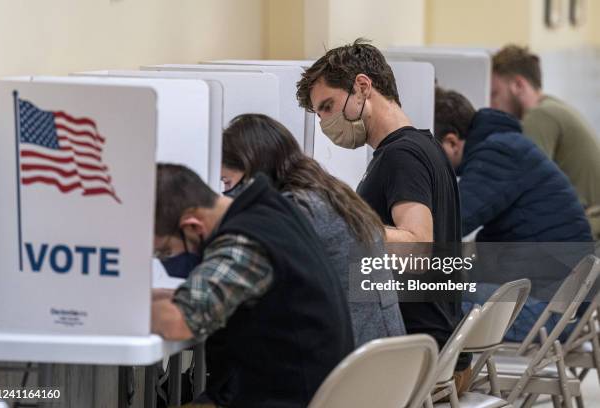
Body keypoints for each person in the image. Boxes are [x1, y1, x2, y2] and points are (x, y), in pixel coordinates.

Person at [295, 39, 471, 393]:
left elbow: (416, 246)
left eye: (327, 106)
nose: (325, 123)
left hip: (412, 356)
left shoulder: (400, 157)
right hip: (436, 349)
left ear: (363, 87)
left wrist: (340, 223)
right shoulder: (424, 147)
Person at [151, 163, 354, 408]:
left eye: (164, 252)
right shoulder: (272, 210)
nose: (166, 261)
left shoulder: (244, 242)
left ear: (193, 227)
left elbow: (179, 322)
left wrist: (117, 304)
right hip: (296, 390)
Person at [221, 113, 407, 346]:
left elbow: (239, 281)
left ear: (252, 171)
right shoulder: (330, 192)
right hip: (380, 357)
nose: (226, 193)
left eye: (227, 182)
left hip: (349, 361)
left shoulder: (297, 209)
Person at [434, 87, 593, 340]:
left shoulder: (498, 154)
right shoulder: (507, 146)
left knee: (422, 300)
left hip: (545, 311)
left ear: (452, 142)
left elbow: (445, 226)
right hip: (557, 301)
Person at [491, 45, 600, 240]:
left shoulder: (540, 116)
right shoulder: (552, 105)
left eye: (495, 94)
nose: (491, 105)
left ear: (518, 85)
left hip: (587, 227)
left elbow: (527, 189)